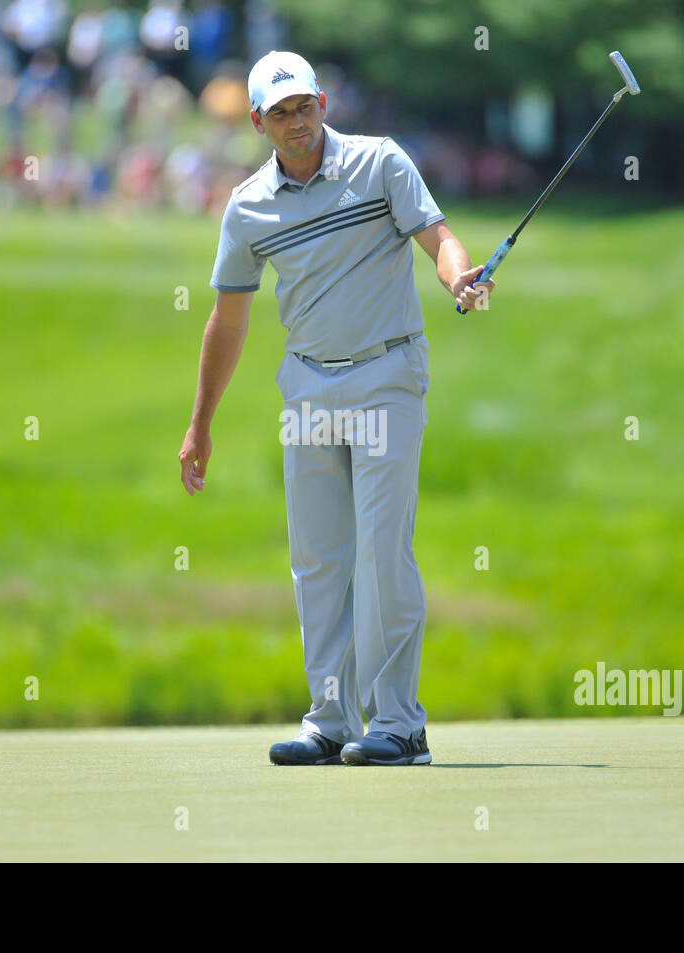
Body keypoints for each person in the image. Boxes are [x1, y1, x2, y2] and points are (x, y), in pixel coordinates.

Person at [178, 51, 495, 766]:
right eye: (282, 113)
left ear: (323, 101)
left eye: (306, 106)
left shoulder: (379, 163)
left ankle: (399, 723)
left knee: (383, 552)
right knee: (319, 558)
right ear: (258, 121)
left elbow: (438, 239)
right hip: (309, 385)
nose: (299, 123)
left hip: (387, 371)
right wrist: (201, 423)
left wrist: (459, 279)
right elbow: (227, 321)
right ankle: (330, 720)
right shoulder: (249, 206)